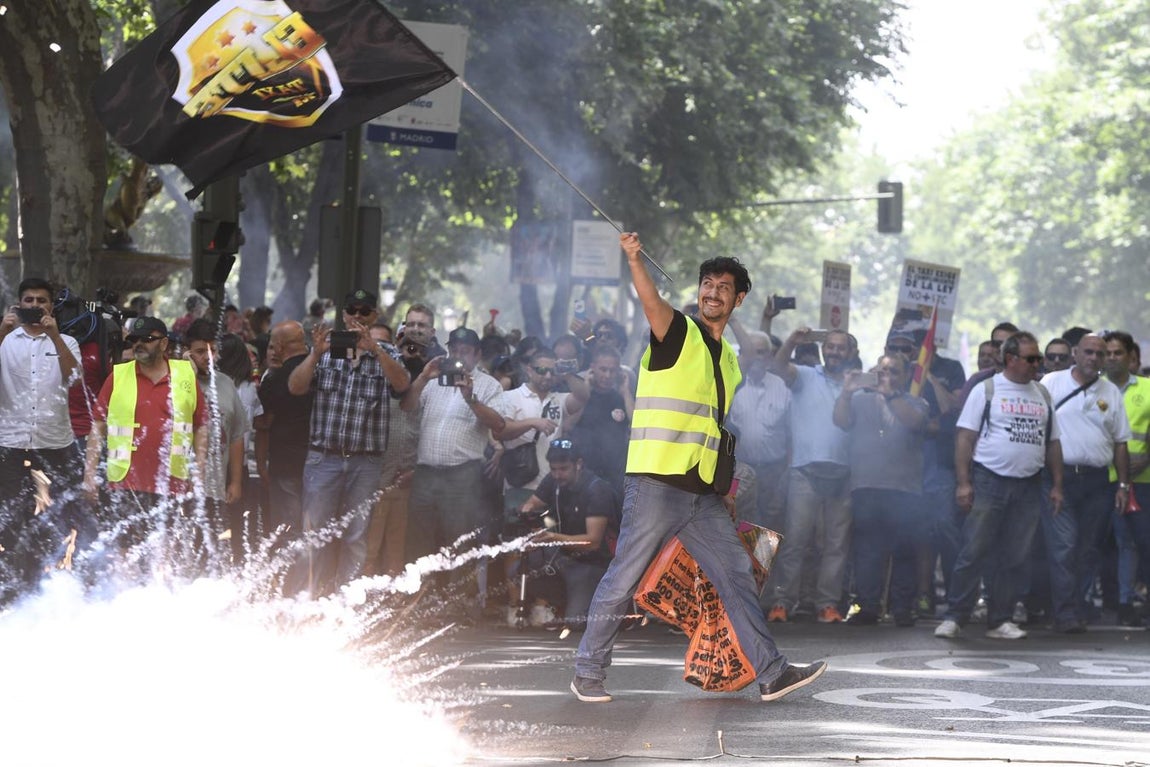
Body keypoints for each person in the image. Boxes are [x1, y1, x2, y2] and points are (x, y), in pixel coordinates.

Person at [571, 231, 826, 705]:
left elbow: (716, 429)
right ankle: (587, 671)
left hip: (702, 494)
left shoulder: (728, 358)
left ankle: (771, 672)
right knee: (623, 577)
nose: (711, 292)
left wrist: (725, 488)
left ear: (738, 298)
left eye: (723, 286)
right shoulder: (676, 331)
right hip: (654, 482)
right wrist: (633, 259)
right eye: (706, 283)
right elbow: (651, 300)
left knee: (736, 574)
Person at [937, 331, 1064, 640]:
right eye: (1032, 358)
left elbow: (1053, 443)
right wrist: (964, 482)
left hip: (1029, 486)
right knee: (974, 550)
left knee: (1015, 556)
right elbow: (965, 437)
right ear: (1011, 359)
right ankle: (956, 616)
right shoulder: (987, 390)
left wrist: (1057, 484)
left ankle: (1000, 619)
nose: (1039, 363)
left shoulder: (1043, 394)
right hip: (989, 480)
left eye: (1039, 358)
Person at [287, 289, 410, 595]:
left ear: (374, 316)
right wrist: (314, 354)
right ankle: (307, 600)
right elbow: (295, 387)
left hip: (365, 461)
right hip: (323, 457)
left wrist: (376, 350)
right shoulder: (326, 350)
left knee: (356, 535)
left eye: (364, 311)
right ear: (343, 315)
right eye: (351, 310)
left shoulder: (387, 354)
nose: (357, 316)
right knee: (314, 534)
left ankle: (346, 604)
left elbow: (403, 385)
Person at [83, 316, 209, 552]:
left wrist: (199, 467)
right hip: (124, 481)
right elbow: (98, 426)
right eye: (134, 340)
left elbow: (201, 424)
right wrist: (89, 474)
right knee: (123, 553)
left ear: (164, 344)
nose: (138, 344)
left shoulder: (186, 376)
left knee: (165, 554)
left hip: (173, 481)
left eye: (147, 339)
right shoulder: (117, 376)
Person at [1038, 333, 1130, 632]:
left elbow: (1120, 443)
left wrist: (1123, 486)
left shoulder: (1111, 392)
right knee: (1064, 545)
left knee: (1088, 549)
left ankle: (1075, 606)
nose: (1094, 359)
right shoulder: (1052, 383)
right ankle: (1064, 613)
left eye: (1099, 354)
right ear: (1075, 353)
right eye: (1088, 352)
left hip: (1098, 483)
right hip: (1059, 478)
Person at [402, 326, 508, 584]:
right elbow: (407, 407)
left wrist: (471, 398)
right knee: (419, 538)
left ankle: (458, 603)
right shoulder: (433, 379)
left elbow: (499, 425)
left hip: (463, 474)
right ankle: (420, 600)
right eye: (455, 350)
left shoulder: (489, 385)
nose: (459, 356)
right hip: (426, 472)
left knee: (460, 539)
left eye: (466, 352)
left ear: (477, 354)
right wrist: (423, 377)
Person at [0, 277, 83, 599]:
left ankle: (48, 579)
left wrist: (53, 335)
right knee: (10, 515)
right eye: (29, 300)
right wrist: (2, 330)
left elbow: (75, 379)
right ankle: (14, 581)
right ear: (20, 304)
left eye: (42, 301)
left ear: (51, 306)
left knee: (59, 514)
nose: (35, 306)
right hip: (10, 441)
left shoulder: (66, 342)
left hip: (55, 443)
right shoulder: (6, 339)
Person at [833, 352, 929, 625]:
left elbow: (913, 422)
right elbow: (840, 421)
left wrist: (888, 395)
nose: (887, 377)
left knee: (904, 550)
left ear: (906, 376)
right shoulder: (860, 400)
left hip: (905, 489)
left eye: (894, 372)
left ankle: (902, 608)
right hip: (867, 484)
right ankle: (869, 606)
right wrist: (846, 392)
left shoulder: (916, 401)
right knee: (868, 550)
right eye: (882, 371)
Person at [765, 327, 852, 624]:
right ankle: (782, 602)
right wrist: (791, 340)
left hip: (843, 472)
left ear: (850, 353)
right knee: (796, 541)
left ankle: (827, 605)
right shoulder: (805, 375)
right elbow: (776, 367)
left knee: (835, 544)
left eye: (841, 348)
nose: (835, 352)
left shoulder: (856, 384)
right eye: (830, 347)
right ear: (823, 349)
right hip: (804, 471)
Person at [512, 438, 615, 629]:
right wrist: (527, 509)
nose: (558, 474)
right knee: (519, 570)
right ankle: (563, 602)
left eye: (563, 469)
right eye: (553, 469)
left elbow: (592, 542)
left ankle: (592, 603)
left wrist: (553, 539)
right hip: (563, 557)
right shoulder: (553, 480)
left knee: (575, 623)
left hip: (592, 564)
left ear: (578, 464)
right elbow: (533, 502)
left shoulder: (597, 490)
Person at [1103, 330, 1150, 626]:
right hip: (1102, 479)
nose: (1111, 358)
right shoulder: (1096, 389)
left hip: (1143, 480)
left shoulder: (1147, 388)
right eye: (1107, 353)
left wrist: (1146, 458)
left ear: (1131, 357)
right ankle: (1121, 602)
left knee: (1140, 542)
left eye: (1117, 352)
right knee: (1117, 544)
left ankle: (1136, 601)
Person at [256, 321, 313, 535]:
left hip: (285, 464)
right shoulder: (318, 371)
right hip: (319, 464)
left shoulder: (275, 378)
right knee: (310, 527)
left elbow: (263, 423)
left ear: (279, 346)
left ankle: (286, 569)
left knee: (285, 528)